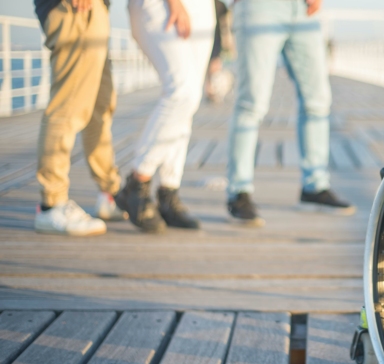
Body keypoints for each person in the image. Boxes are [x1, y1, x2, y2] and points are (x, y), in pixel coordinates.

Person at [225, 0, 355, 226]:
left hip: (304, 9)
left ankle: (314, 187)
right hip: (260, 7)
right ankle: (239, 191)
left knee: (318, 101)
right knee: (251, 103)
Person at [116, 0, 215, 232]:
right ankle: (137, 182)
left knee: (188, 102)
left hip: (203, 8)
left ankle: (168, 193)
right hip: (161, 4)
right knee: (183, 92)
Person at [33, 0, 126, 236]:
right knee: (68, 106)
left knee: (99, 107)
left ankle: (109, 193)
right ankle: (51, 205)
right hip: (74, 9)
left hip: (95, 10)